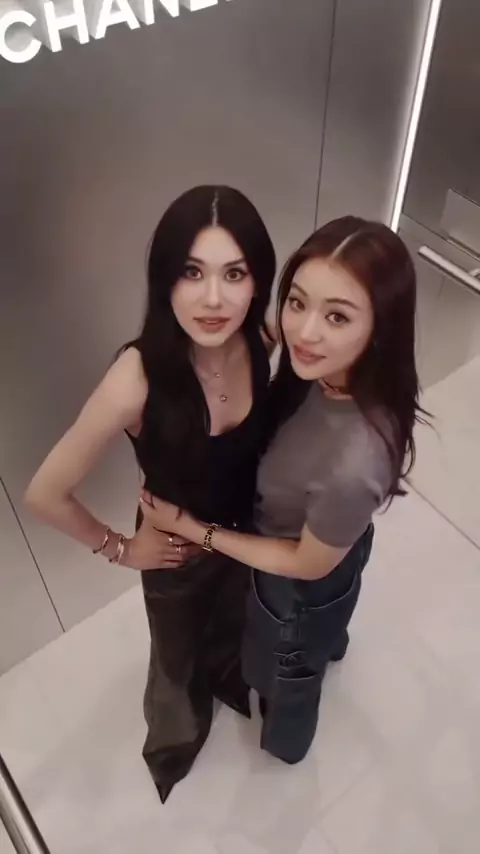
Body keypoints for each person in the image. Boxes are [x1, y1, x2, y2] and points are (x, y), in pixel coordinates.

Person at [139, 215, 427, 765]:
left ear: (380, 328)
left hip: (297, 579)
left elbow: (307, 563)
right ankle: (330, 642)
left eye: (337, 316)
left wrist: (196, 531)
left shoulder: (354, 460)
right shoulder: (330, 372)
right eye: (297, 302)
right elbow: (271, 333)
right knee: (328, 621)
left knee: (286, 676)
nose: (305, 332)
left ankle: (287, 746)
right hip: (334, 540)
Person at [25, 185, 276, 801]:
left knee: (233, 626)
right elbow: (45, 493)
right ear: (164, 278)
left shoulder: (261, 339)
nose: (213, 298)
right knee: (174, 665)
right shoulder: (136, 377)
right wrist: (122, 548)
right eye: (192, 271)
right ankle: (176, 742)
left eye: (234, 273)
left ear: (257, 281)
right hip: (175, 559)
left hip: (244, 539)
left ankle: (230, 681)